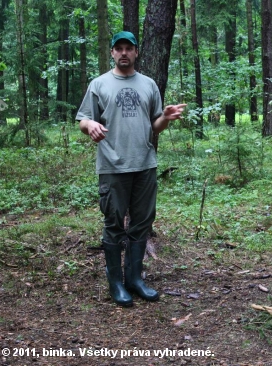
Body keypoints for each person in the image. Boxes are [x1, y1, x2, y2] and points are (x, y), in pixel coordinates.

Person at [76, 31, 186, 307]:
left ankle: (135, 279)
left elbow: (154, 126)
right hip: (113, 166)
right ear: (112, 53)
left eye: (129, 48)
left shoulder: (148, 85)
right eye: (119, 48)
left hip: (144, 165)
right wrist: (90, 126)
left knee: (141, 223)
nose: (123, 53)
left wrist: (166, 118)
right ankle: (116, 283)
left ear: (136, 52)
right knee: (113, 224)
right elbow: (83, 120)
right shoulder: (99, 84)